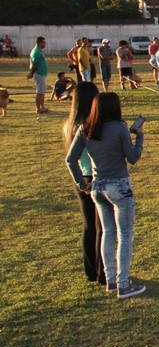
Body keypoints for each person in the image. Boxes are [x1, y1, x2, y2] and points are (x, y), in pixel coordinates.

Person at [64, 92, 145, 299]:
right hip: (118, 185)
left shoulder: (85, 128)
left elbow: (70, 160)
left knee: (108, 233)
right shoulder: (119, 128)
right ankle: (123, 284)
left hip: (98, 187)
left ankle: (111, 280)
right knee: (124, 235)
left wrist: (82, 184)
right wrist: (139, 136)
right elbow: (133, 158)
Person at [62, 80, 103, 286]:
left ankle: (91, 270)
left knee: (89, 226)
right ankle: (102, 270)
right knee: (101, 225)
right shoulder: (89, 125)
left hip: (78, 176)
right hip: (92, 176)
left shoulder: (69, 124)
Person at [27, 36, 49, 114]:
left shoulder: (39, 51)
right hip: (38, 73)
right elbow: (35, 64)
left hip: (42, 74)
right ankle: (38, 108)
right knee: (39, 92)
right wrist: (31, 73)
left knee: (42, 91)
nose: (45, 44)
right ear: (39, 43)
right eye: (44, 42)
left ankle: (42, 107)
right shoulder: (36, 52)